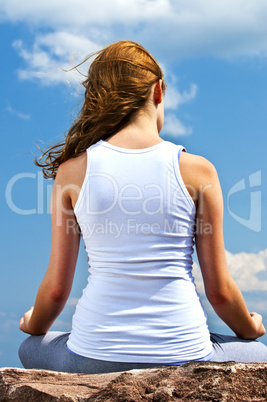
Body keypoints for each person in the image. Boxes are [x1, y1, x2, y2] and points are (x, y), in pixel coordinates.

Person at [19, 40, 267, 373]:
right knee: (259, 353)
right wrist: (250, 328)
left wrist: (34, 323)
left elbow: (57, 289)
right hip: (184, 353)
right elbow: (219, 292)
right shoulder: (198, 171)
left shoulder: (72, 172)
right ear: (158, 92)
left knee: (29, 347)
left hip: (94, 357)